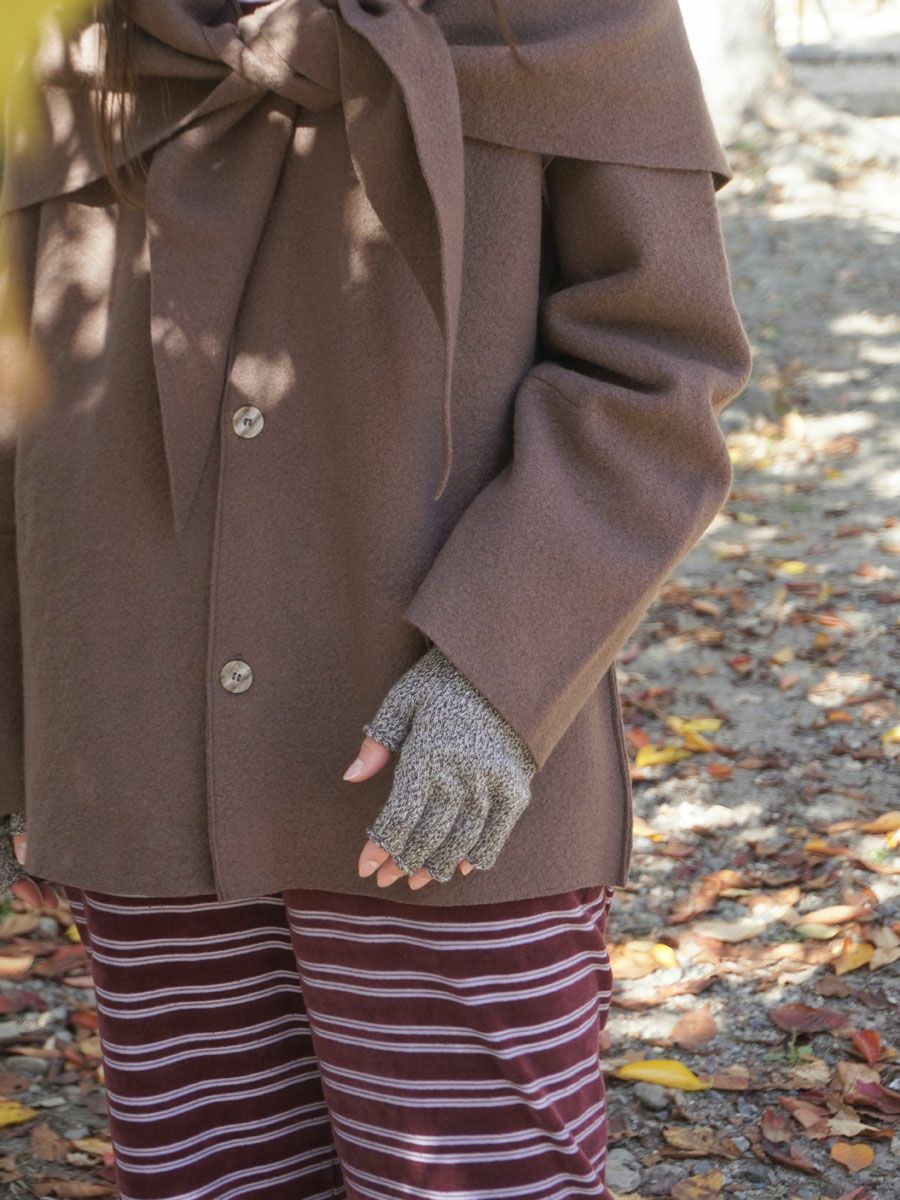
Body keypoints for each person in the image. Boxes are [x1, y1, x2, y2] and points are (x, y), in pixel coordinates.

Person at [0, 0, 753, 1195]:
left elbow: (657, 369)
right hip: (142, 757)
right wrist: (32, 738)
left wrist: (496, 670)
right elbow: (28, 387)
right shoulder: (70, 26)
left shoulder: (570, 17)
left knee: (473, 1173)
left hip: (442, 779)